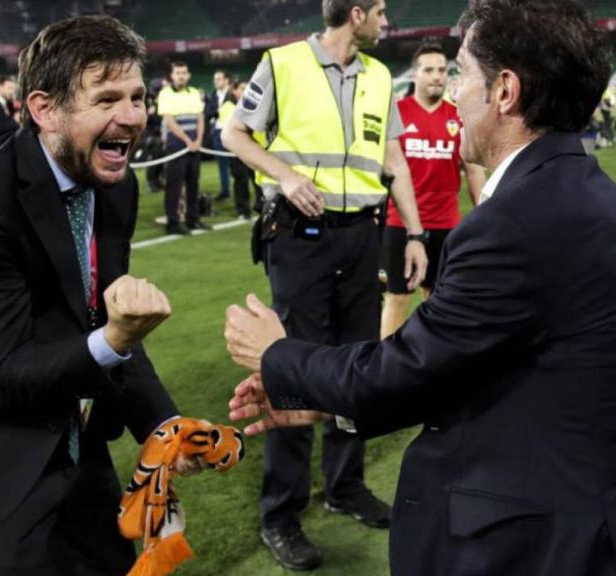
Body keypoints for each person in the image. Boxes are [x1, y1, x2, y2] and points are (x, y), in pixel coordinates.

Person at [224, 1, 616, 574]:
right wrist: (323, 403)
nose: (452, 92)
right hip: (615, 519)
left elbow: (405, 370)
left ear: (504, 91)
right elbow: (473, 370)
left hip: (568, 543)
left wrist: (278, 357)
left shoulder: (517, 222)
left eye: (461, 73)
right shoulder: (583, 192)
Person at [0, 15, 212, 574]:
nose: (132, 116)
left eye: (137, 97)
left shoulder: (114, 185)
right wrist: (114, 338)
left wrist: (164, 429)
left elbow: (104, 319)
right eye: (107, 99)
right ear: (44, 109)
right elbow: (6, 374)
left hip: (69, 434)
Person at [222, 0, 428, 570]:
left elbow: (392, 157)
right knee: (290, 365)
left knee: (355, 362)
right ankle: (281, 513)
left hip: (361, 236)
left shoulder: (381, 76)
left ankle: (345, 486)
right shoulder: (282, 63)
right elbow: (235, 134)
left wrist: (414, 233)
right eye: (379, 10)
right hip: (298, 236)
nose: (386, 21)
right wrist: (285, 176)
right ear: (355, 13)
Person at [380, 42, 485, 339]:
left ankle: (435, 361)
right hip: (400, 225)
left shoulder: (458, 117)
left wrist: (486, 215)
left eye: (442, 70)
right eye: (428, 70)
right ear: (415, 74)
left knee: (440, 301)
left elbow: (474, 171)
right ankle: (385, 365)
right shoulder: (396, 114)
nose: (437, 76)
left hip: (447, 226)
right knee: (397, 298)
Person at [158, 60, 208, 235]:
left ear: (189, 75)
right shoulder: (165, 93)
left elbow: (200, 118)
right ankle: (172, 223)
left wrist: (199, 140)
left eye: (183, 73)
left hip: (194, 145)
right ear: (172, 76)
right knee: (174, 185)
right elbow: (169, 121)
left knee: (193, 183)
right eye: (177, 73)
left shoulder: (194, 92)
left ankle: (193, 220)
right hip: (177, 146)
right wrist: (188, 140)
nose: (181, 76)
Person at [219, 79, 252, 219]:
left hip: (253, 150)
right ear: (234, 91)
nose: (246, 91)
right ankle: (243, 210)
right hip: (236, 151)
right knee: (241, 180)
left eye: (248, 88)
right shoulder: (227, 106)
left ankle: (261, 207)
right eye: (243, 88)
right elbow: (233, 130)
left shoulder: (252, 105)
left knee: (257, 180)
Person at [206, 69, 233, 202]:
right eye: (214, 79)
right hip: (217, 132)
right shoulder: (213, 95)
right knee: (222, 165)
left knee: (240, 166)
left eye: (218, 79)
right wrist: (218, 111)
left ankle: (246, 196)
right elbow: (208, 113)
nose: (215, 82)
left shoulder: (233, 93)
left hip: (233, 133)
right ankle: (225, 191)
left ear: (226, 80)